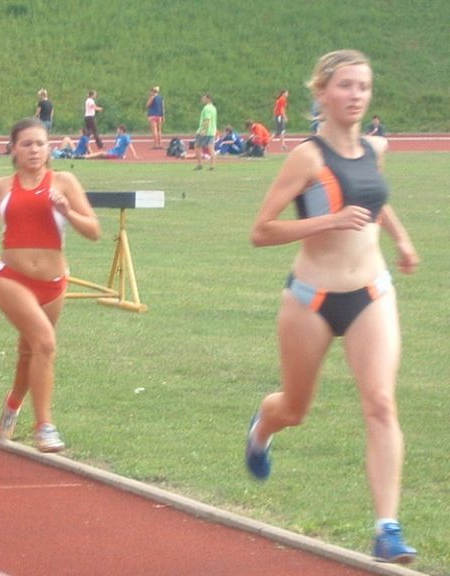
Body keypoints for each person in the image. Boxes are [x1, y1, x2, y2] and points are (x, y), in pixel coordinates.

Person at [246, 50, 419, 564]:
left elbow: (375, 200)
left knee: (381, 403)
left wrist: (402, 240)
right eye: (345, 85)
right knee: (295, 410)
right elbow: (261, 231)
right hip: (311, 299)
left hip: (371, 293)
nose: (356, 95)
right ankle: (262, 427)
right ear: (321, 92)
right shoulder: (307, 158)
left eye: (363, 86)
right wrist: (329, 220)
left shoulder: (375, 147)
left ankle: (387, 528)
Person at [0, 117, 101, 452]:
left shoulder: (64, 182)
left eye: (40, 144)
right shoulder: (2, 186)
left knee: (29, 351)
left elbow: (93, 230)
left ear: (49, 148)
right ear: (13, 149)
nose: (34, 150)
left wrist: (67, 211)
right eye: (27, 144)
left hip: (53, 284)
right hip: (12, 279)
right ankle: (44, 426)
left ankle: (13, 404)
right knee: (45, 342)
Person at [193, 93, 217, 170]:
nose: (202, 100)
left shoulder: (206, 108)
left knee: (197, 146)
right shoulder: (213, 108)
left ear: (208, 99)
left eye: (204, 98)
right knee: (211, 148)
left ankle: (200, 164)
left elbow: (207, 119)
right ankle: (212, 165)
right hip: (212, 131)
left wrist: (203, 130)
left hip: (205, 130)